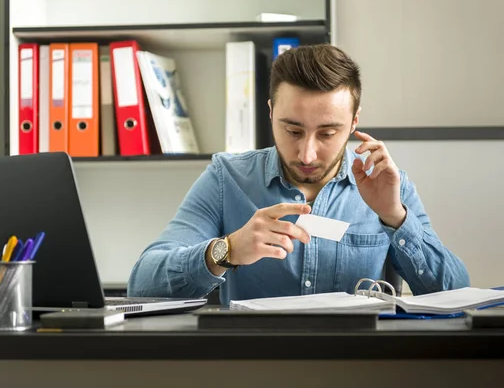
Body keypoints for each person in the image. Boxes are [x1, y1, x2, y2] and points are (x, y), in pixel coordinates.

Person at [127, 44, 470, 304]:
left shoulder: (390, 186)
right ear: (271, 111)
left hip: (361, 368)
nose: (307, 154)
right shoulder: (225, 178)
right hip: (253, 368)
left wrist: (395, 217)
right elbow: (142, 284)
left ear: (354, 122)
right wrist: (226, 249)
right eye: (292, 131)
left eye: (327, 133)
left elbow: (457, 293)